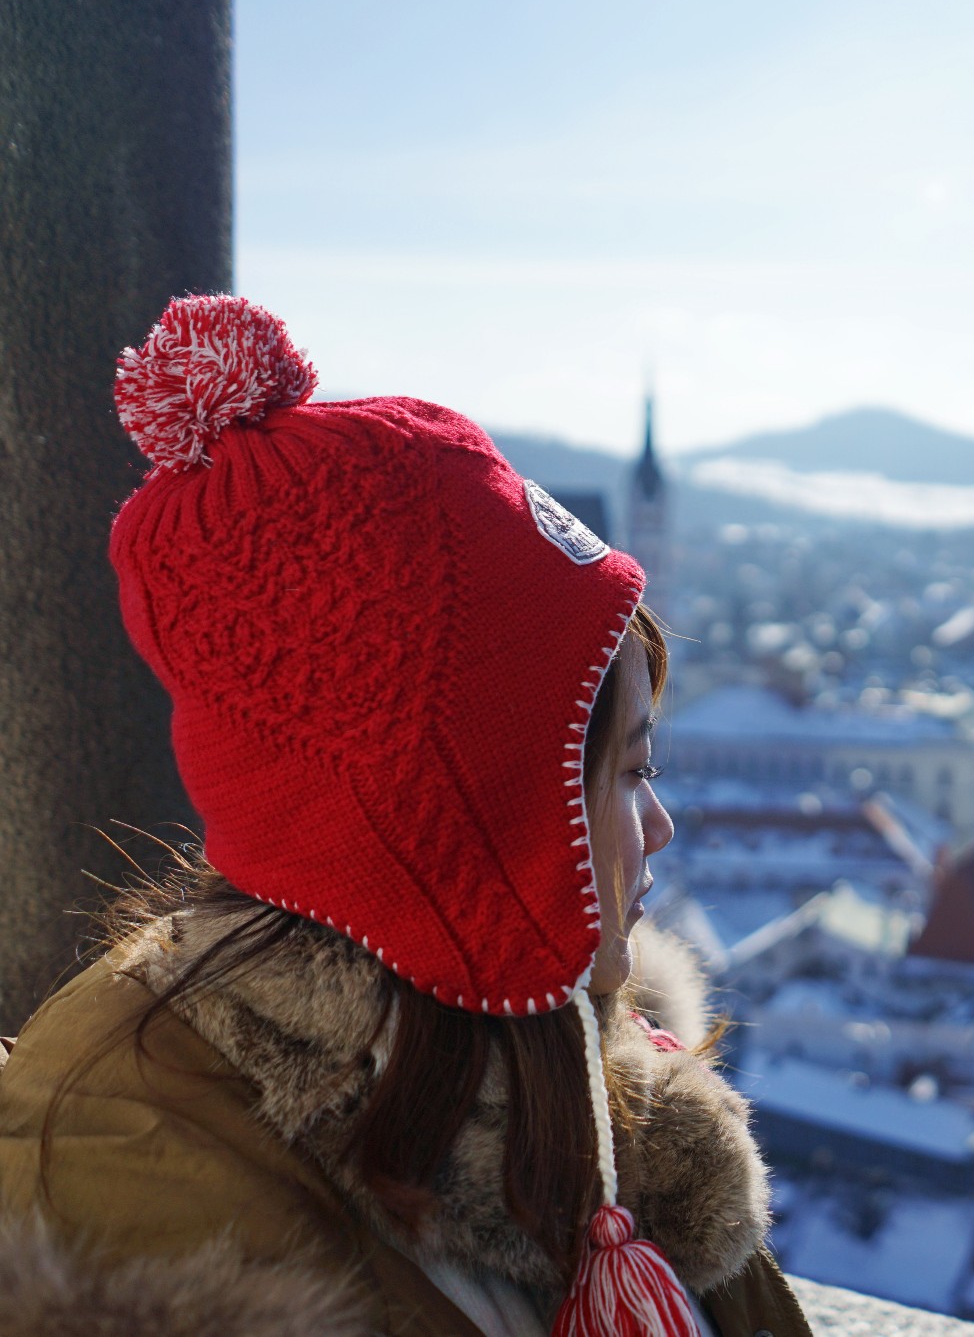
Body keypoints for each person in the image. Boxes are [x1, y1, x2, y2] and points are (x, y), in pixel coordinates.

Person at [0, 296, 812, 1337]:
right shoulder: (141, 1190)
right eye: (626, 771)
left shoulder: (579, 1071)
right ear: (468, 813)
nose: (658, 825)